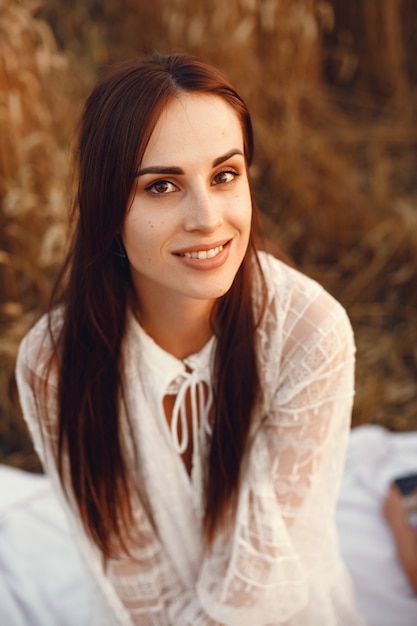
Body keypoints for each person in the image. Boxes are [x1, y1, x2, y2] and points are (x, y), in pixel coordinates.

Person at [15, 52, 366, 625]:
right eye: (161, 186)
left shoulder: (309, 333)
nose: (206, 217)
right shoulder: (53, 361)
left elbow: (266, 572)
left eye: (225, 175)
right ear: (109, 206)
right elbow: (128, 571)